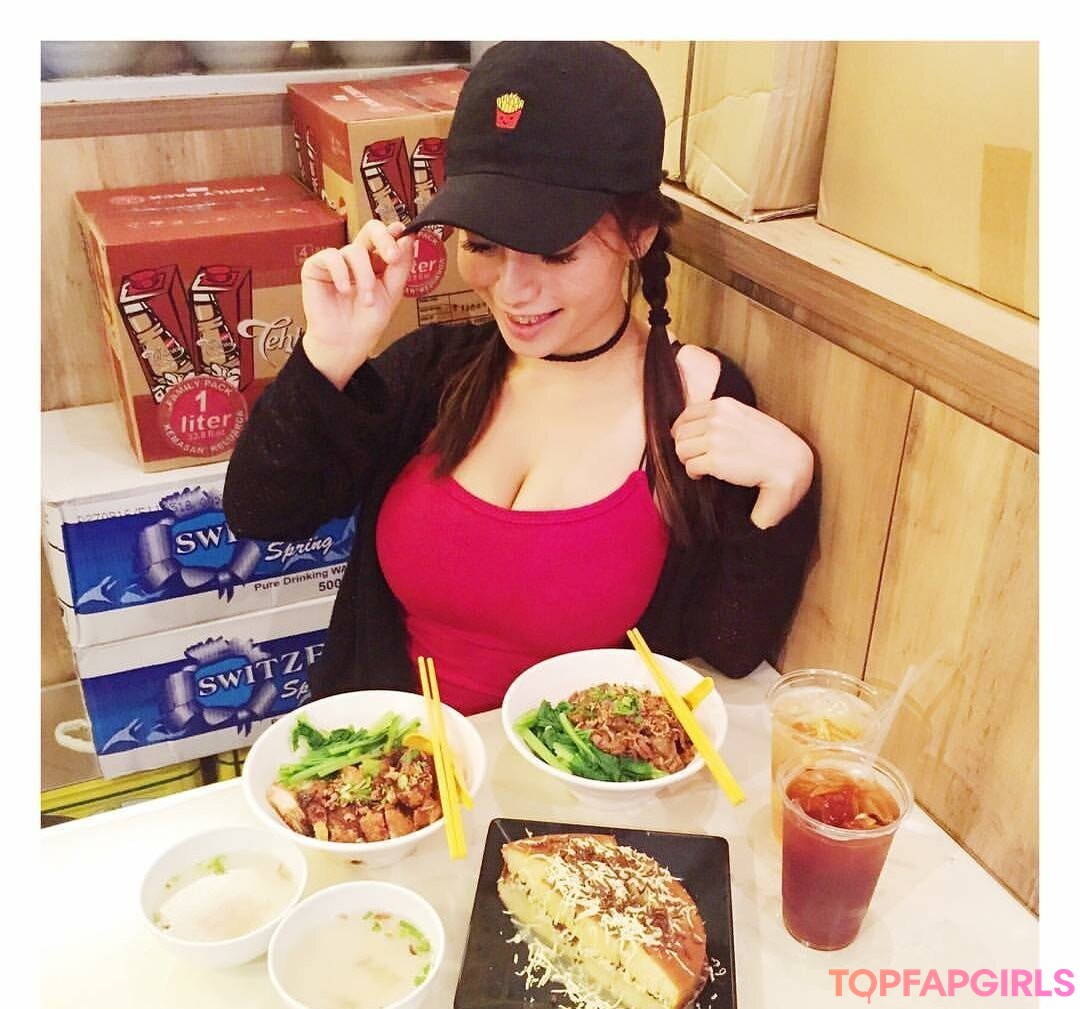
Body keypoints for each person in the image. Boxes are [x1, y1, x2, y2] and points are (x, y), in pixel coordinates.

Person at [222, 41, 818, 716]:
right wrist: (328, 355)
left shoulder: (697, 403)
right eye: (482, 244)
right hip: (388, 763)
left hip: (564, 777)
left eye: (556, 253)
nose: (512, 289)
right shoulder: (435, 370)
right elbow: (263, 512)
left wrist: (788, 489)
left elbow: (730, 646)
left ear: (641, 233)